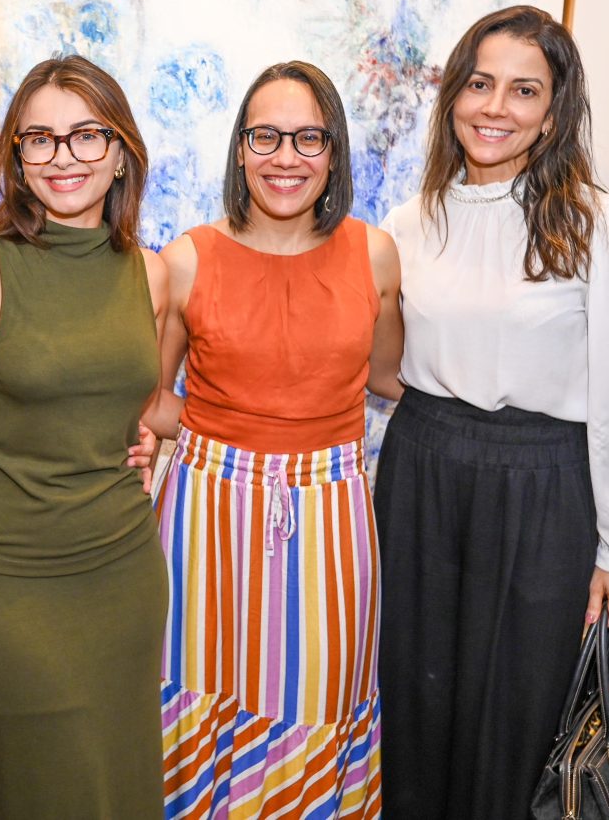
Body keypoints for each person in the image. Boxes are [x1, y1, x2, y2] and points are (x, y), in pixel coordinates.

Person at [375, 5, 609, 818]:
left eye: (523, 90)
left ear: (554, 111)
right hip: (421, 471)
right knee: (411, 697)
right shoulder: (408, 222)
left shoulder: (603, 224)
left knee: (519, 714)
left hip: (544, 486)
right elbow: (384, 373)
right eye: (480, 83)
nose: (495, 107)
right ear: (454, 93)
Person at [144, 60, 403, 818]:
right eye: (266, 136)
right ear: (240, 148)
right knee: (200, 689)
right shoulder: (186, 259)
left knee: (323, 692)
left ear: (334, 151)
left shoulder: (375, 253)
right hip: (205, 515)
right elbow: (149, 397)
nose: (285, 157)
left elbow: (390, 377)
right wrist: (223, 435)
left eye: (307, 138)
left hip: (332, 515)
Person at [0, 55, 170, 819]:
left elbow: (142, 398)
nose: (64, 157)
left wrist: (156, 434)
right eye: (41, 140)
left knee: (122, 781)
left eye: (86, 135)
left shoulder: (151, 275)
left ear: (121, 149)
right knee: (41, 790)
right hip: (14, 582)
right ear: (17, 159)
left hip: (124, 571)